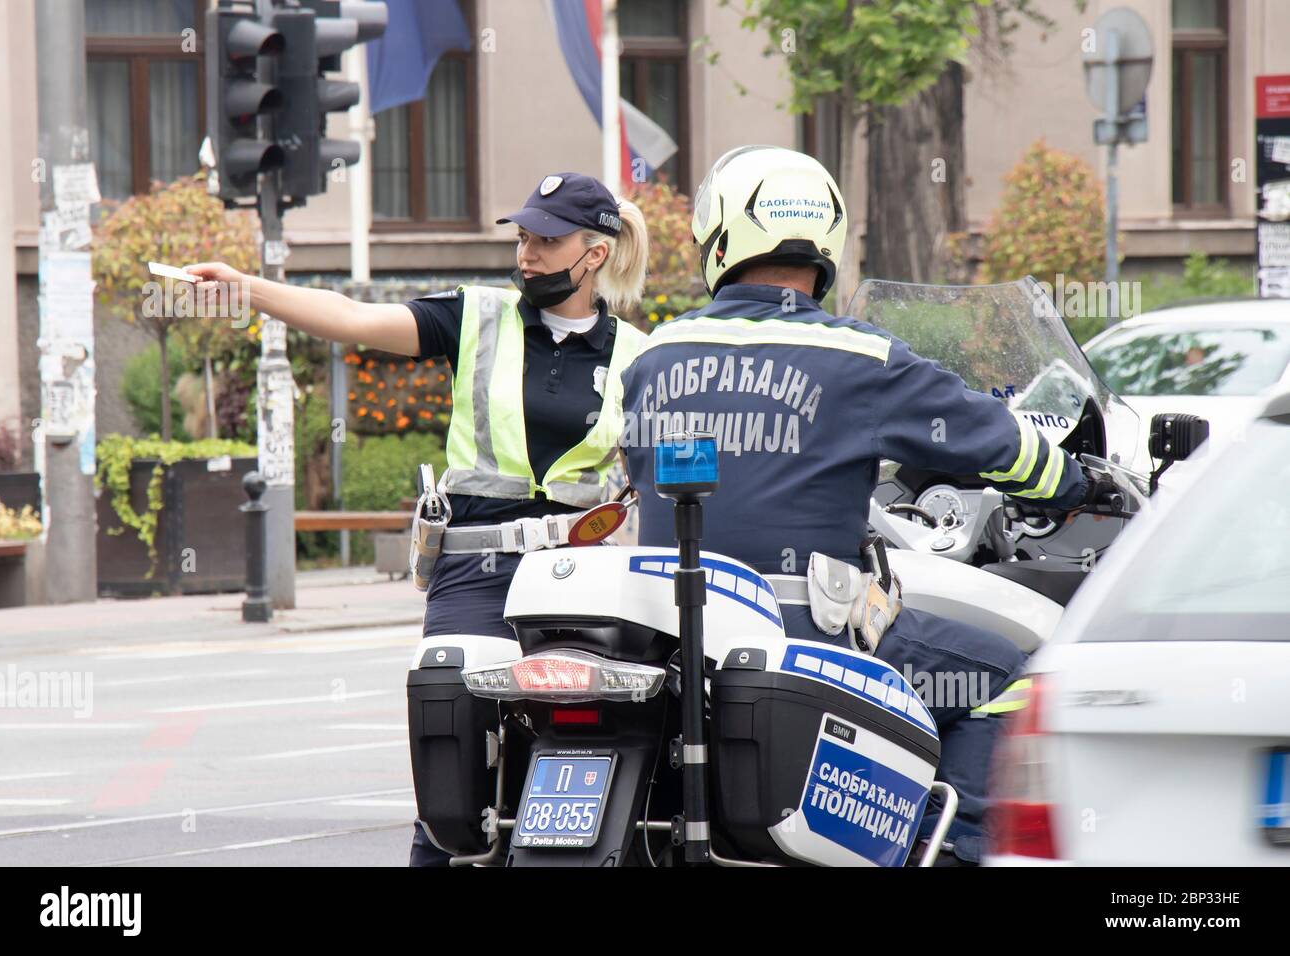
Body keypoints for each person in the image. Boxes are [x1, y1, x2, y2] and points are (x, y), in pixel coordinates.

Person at [619, 146, 1114, 864]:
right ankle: (951, 855)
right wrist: (1078, 484)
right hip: (810, 636)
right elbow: (999, 444)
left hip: (676, 641)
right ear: (826, 244)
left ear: (719, 239)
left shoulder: (654, 355)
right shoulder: (862, 360)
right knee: (1007, 678)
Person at [188, 172, 648, 866]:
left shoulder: (640, 357)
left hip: (578, 576)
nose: (527, 254)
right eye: (523, 237)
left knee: (590, 745)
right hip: (476, 565)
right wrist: (245, 287)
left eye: (546, 241)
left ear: (596, 254)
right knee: (452, 761)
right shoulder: (477, 316)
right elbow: (348, 318)